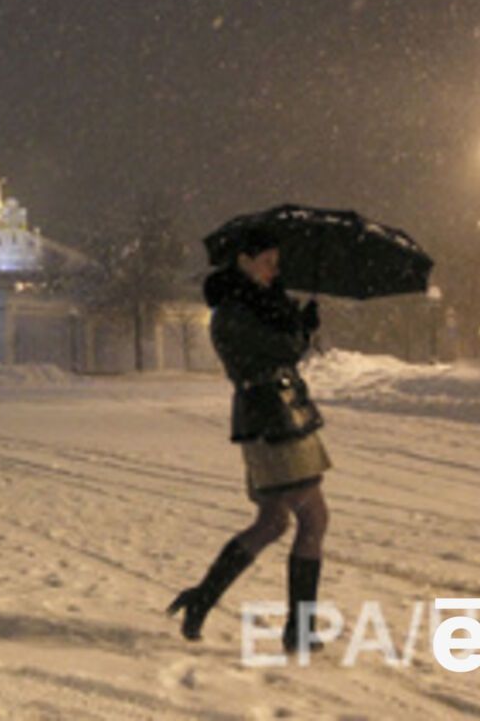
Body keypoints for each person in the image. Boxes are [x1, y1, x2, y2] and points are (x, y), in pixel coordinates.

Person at [167, 226, 330, 653]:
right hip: (270, 419)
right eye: (267, 262)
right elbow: (278, 351)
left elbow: (284, 347)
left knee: (274, 522)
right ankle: (300, 627)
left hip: (283, 414)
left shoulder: (260, 304)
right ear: (244, 259)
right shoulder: (233, 311)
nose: (275, 271)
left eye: (277, 263)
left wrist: (298, 323)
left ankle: (201, 598)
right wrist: (300, 330)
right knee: (312, 518)